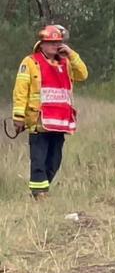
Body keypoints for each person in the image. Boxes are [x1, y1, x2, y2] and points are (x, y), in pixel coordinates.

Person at [12, 25, 88, 199]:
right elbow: (21, 90)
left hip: (60, 122)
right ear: (42, 44)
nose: (55, 46)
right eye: (51, 43)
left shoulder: (66, 62)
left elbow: (83, 74)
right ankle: (39, 194)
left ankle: (41, 189)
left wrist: (72, 54)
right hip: (39, 122)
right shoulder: (30, 63)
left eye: (58, 42)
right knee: (38, 160)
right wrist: (18, 117)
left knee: (54, 160)